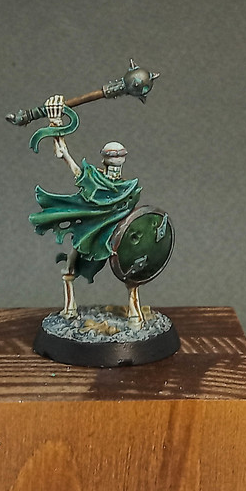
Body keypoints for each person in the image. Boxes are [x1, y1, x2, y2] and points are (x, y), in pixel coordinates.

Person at [29, 95, 143, 323]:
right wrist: (56, 124)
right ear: (105, 159)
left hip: (119, 232)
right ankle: (70, 307)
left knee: (131, 266)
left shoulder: (128, 187)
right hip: (95, 228)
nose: (116, 159)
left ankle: (134, 310)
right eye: (113, 156)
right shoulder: (93, 178)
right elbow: (63, 155)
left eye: (119, 155)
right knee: (74, 256)